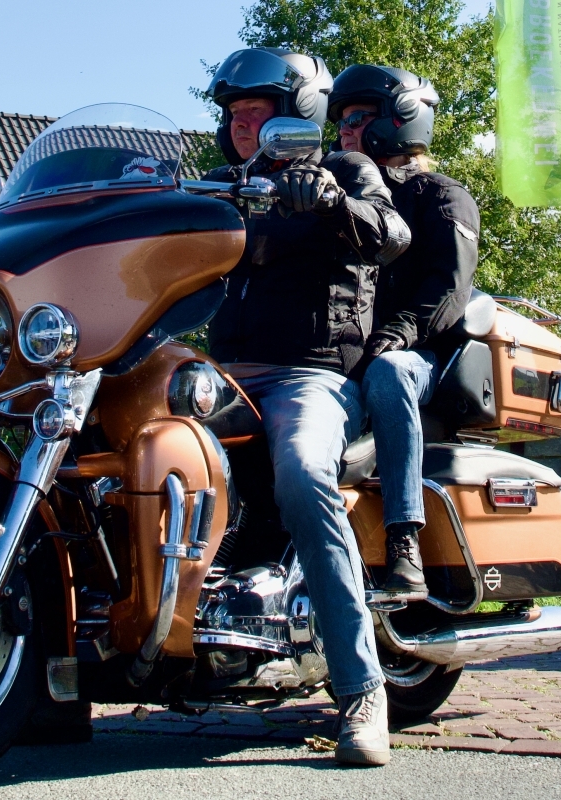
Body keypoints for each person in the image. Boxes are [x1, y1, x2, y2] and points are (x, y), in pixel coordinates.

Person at [204, 48, 410, 766]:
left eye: (256, 111)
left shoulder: (344, 170)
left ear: (298, 115)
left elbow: (392, 234)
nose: (241, 123)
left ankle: (361, 690)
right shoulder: (219, 188)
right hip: (219, 376)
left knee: (299, 472)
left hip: (309, 374)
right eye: (234, 113)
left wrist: (329, 202)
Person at [324, 65, 480, 596]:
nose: (345, 131)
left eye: (357, 118)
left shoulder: (441, 197)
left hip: (423, 357)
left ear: (401, 119)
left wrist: (399, 332)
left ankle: (404, 540)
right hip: (351, 355)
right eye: (341, 122)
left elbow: (450, 288)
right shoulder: (343, 197)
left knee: (389, 374)